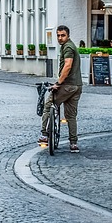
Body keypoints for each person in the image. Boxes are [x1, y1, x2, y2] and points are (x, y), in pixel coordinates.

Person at [40, 25, 83, 153]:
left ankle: (44, 135)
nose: (60, 38)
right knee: (71, 116)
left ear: (68, 35)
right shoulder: (70, 46)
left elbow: (68, 65)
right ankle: (73, 143)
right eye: (58, 35)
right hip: (77, 86)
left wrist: (58, 83)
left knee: (48, 105)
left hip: (67, 86)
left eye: (62, 35)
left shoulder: (68, 47)